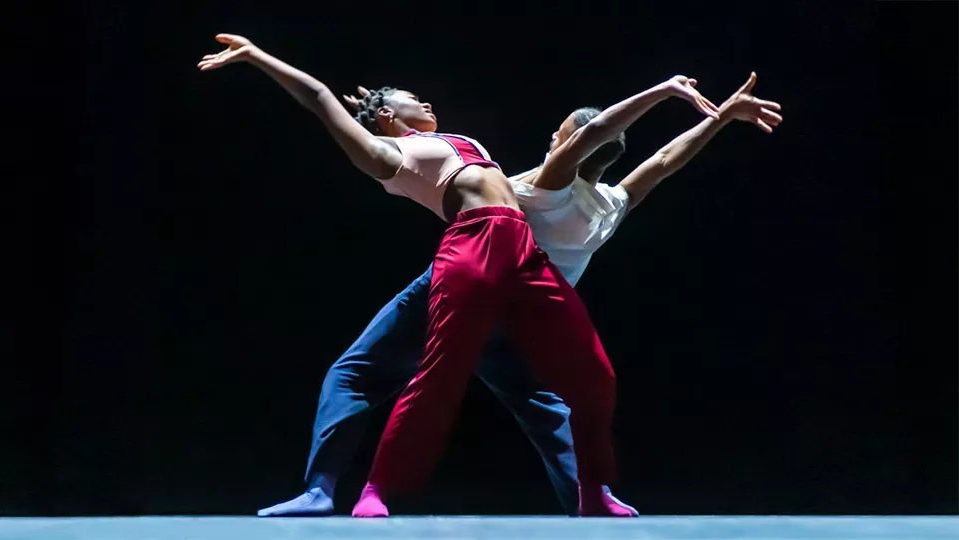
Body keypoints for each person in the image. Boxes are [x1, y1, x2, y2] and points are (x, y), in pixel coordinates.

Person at [197, 32, 723, 517]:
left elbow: (648, 161)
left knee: (568, 386)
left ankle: (591, 495)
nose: (424, 101)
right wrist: (257, 56)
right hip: (475, 245)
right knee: (375, 372)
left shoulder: (469, 145)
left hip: (517, 252)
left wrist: (379, 101)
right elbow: (318, 97)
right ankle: (328, 490)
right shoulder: (388, 154)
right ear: (384, 119)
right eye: (409, 98)